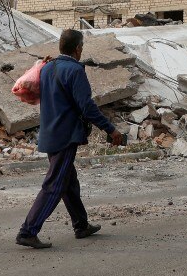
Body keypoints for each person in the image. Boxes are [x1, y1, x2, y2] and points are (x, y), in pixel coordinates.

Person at [16, 28, 124, 250]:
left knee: (68, 181)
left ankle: (81, 225)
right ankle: (28, 230)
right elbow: (87, 107)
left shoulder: (47, 68)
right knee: (55, 184)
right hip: (65, 136)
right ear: (78, 48)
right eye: (81, 47)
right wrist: (110, 129)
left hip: (49, 133)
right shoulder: (75, 71)